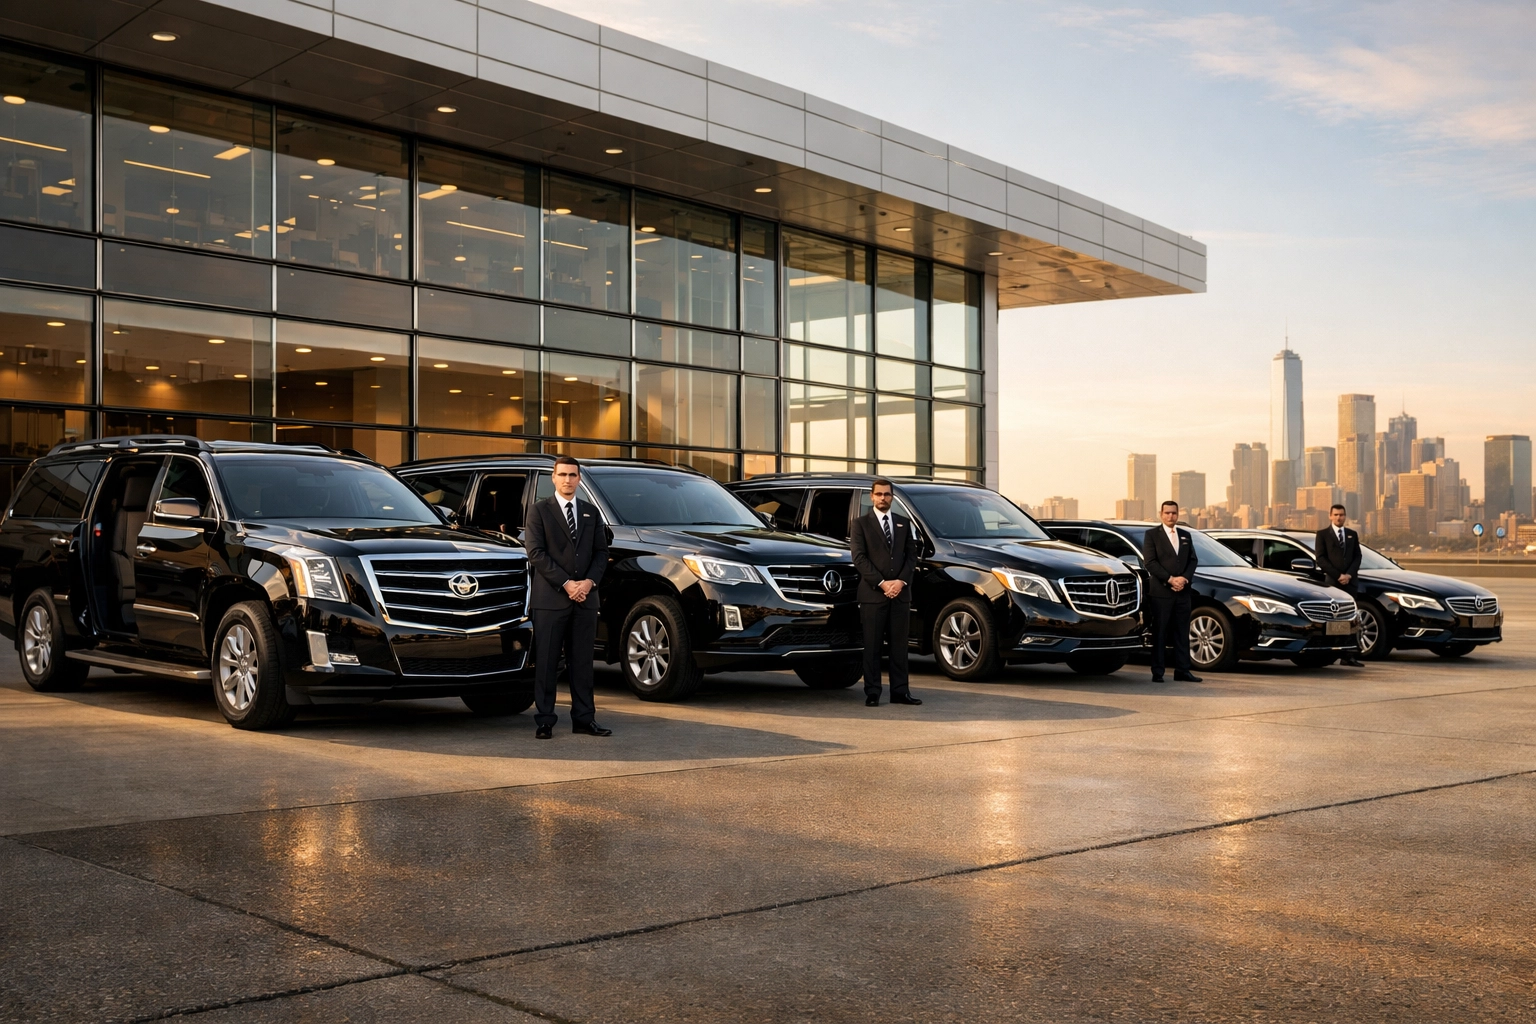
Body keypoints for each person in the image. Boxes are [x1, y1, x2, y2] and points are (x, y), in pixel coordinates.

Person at [524, 456, 611, 738]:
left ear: (579, 479)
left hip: (586, 599)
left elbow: (601, 553)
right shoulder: (539, 511)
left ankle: (584, 720)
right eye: (562, 475)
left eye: (573, 475)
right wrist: (567, 584)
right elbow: (536, 553)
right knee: (547, 662)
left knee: (583, 663)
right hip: (550, 600)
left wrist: (588, 582)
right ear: (553, 478)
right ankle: (545, 721)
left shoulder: (591, 512)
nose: (567, 480)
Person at [849, 478, 921, 707]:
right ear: (871, 497)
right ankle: (872, 693)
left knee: (899, 647)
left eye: (887, 494)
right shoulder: (860, 524)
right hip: (872, 595)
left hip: (900, 595)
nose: (883, 498)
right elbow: (859, 558)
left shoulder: (903, 523)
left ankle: (901, 692)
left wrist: (900, 582)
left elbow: (912, 556)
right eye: (878, 494)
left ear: (892, 497)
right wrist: (882, 583)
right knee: (872, 647)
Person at [1141, 500, 1202, 683]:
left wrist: (1184, 578)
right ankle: (1158, 672)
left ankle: (1183, 671)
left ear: (1178, 514)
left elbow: (1193, 560)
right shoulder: (1152, 535)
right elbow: (1150, 562)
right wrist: (1169, 579)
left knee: (1182, 632)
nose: (1170, 516)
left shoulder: (1185, 535)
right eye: (1167, 513)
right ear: (1161, 514)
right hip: (1161, 593)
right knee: (1160, 632)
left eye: (1174, 513)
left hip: (1183, 592)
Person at [1315, 503, 1365, 666]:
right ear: (1330, 516)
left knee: (1350, 619)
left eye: (1341, 515)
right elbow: (1321, 559)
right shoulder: (1322, 534)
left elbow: (1357, 557)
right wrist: (1338, 575)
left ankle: (1348, 655)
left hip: (1350, 583)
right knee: (1333, 619)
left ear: (1345, 516)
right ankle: (1329, 652)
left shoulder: (1352, 534)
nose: (1339, 517)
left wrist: (1349, 575)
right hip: (1332, 583)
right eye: (1336, 515)